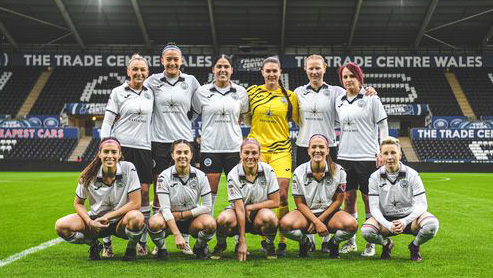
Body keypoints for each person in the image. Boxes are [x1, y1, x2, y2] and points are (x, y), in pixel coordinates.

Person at [145, 42, 201, 255]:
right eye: (168, 59)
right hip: (159, 143)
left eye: (175, 59)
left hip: (184, 141)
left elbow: (196, 109)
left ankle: (185, 238)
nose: (172, 62)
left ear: (181, 61)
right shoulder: (152, 81)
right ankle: (159, 244)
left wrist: (184, 122)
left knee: (185, 193)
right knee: (159, 194)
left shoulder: (191, 82)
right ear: (162, 61)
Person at [55, 137, 145, 261]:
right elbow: (78, 203)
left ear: (119, 154)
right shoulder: (88, 175)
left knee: (137, 218)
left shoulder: (129, 168)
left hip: (121, 222)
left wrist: (108, 216)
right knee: (61, 226)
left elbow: (135, 203)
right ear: (99, 154)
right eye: (106, 152)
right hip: (96, 222)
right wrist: (89, 222)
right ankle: (94, 245)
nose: (110, 155)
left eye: (114, 152)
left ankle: (131, 248)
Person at [99, 54, 153, 257]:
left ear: (147, 73)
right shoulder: (118, 92)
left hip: (144, 149)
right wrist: (105, 143)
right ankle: (106, 243)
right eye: (135, 69)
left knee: (145, 194)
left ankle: (142, 242)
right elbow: (107, 121)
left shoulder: (151, 93)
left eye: (142, 70)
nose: (139, 73)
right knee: (111, 194)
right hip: (122, 148)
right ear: (128, 72)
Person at [246, 56, 299, 255]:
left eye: (274, 71)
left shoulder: (290, 96)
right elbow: (247, 117)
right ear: (262, 72)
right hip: (257, 152)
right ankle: (265, 239)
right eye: (267, 71)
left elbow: (299, 120)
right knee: (261, 196)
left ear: (280, 73)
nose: (271, 74)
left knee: (282, 195)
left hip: (281, 150)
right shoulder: (252, 92)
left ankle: (283, 240)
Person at [335, 62, 389, 257]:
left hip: (367, 157)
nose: (348, 80)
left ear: (359, 78)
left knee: (369, 200)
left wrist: (382, 151)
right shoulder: (339, 100)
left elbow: (383, 126)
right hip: (344, 157)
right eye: (345, 77)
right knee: (348, 199)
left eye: (352, 76)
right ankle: (351, 241)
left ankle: (371, 241)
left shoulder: (371, 99)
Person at [361, 137, 439, 261]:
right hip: (386, 221)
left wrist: (405, 221)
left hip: (410, 219)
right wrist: (388, 224)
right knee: (366, 231)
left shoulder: (412, 174)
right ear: (381, 156)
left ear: (400, 155)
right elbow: (374, 208)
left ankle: (414, 246)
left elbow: (422, 204)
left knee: (432, 225)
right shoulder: (374, 177)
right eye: (385, 153)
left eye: (393, 152)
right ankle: (387, 244)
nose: (389, 157)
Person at [280, 135, 357, 258]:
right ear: (308, 150)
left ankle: (333, 243)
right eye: (314, 147)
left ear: (327, 150)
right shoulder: (299, 172)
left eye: (321, 147)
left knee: (352, 225)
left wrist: (319, 221)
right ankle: (304, 242)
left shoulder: (339, 171)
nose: (317, 150)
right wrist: (315, 221)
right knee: (285, 225)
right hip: (306, 214)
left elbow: (338, 201)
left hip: (330, 215)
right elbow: (299, 203)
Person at [193, 55, 249, 214]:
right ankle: (206, 229)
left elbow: (244, 115)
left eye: (226, 67)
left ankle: (239, 234)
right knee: (209, 192)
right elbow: (193, 114)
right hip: (210, 148)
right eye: (219, 66)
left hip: (234, 148)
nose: (222, 70)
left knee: (238, 193)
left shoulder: (241, 92)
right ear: (213, 70)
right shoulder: (201, 92)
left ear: (232, 70)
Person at [211, 138, 280, 261]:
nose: (250, 157)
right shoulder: (233, 174)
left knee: (271, 218)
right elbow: (240, 209)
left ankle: (269, 245)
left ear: (259, 154)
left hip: (259, 214)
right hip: (237, 213)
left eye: (254, 153)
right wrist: (242, 241)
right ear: (240, 154)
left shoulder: (268, 170)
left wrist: (251, 207)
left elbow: (275, 201)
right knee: (223, 219)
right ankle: (221, 244)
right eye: (246, 153)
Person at [148, 140, 216, 260]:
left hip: (191, 219)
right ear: (172, 155)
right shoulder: (163, 176)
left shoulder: (201, 176)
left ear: (191, 155)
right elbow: (164, 208)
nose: (182, 156)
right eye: (178, 152)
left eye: (186, 152)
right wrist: (177, 234)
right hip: (169, 218)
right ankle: (162, 249)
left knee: (210, 223)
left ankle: (199, 246)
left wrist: (183, 215)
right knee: (153, 223)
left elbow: (207, 207)